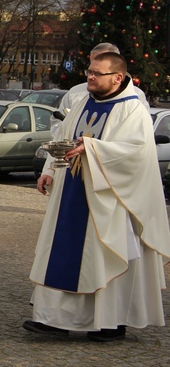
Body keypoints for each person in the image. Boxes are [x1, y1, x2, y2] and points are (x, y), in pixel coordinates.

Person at [24, 51, 170, 342]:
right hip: (72, 191)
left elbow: (135, 152)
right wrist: (50, 168)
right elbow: (64, 138)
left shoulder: (132, 109)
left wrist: (91, 149)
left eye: (97, 73)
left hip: (109, 200)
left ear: (117, 77)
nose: (90, 77)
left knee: (101, 257)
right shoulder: (82, 103)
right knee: (62, 253)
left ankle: (110, 322)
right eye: (89, 71)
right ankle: (55, 319)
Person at [50, 42, 148, 136]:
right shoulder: (76, 94)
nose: (91, 77)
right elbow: (58, 122)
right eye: (91, 68)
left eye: (98, 71)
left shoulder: (134, 101)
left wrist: (91, 146)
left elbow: (134, 142)